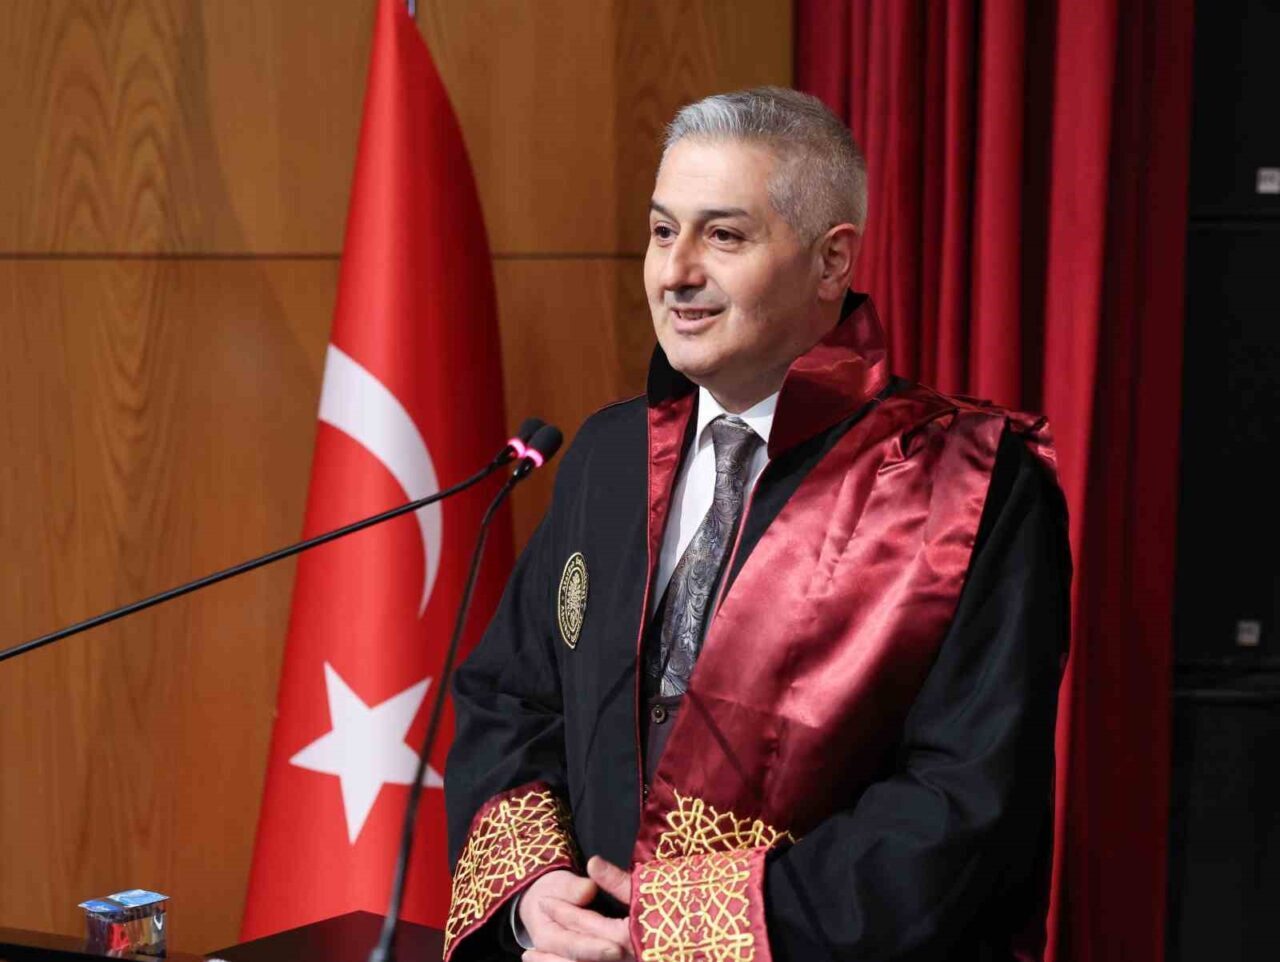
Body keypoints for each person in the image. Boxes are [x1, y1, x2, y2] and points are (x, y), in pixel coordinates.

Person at [443, 86, 1070, 962]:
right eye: (663, 230)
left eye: (724, 236)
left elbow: (964, 801)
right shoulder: (608, 456)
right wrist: (540, 894)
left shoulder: (968, 482)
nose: (675, 272)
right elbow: (511, 697)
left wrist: (680, 932)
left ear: (831, 261)